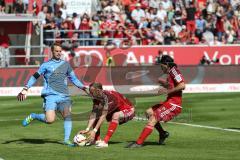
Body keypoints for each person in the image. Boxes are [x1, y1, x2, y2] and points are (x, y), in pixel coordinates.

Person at [17, 43, 87, 146]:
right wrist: (26, 88)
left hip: (64, 96)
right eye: (56, 51)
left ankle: (66, 140)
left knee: (67, 116)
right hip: (50, 96)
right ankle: (34, 116)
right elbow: (35, 76)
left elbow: (74, 79)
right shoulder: (45, 65)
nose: (59, 53)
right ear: (52, 52)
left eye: (60, 51)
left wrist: (84, 87)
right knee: (50, 120)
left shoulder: (66, 65)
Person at [126, 55, 185, 148]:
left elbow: (182, 86)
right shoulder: (171, 73)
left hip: (174, 104)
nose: (161, 68)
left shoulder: (174, 70)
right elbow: (173, 86)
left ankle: (139, 143)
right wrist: (164, 84)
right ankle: (162, 133)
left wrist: (167, 90)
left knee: (153, 118)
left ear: (166, 64)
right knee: (149, 112)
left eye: (161, 66)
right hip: (169, 101)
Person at [79, 82, 135, 148]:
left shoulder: (109, 97)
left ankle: (105, 142)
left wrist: (94, 131)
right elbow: (94, 113)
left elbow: (103, 116)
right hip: (116, 110)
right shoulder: (96, 97)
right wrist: (87, 129)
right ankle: (97, 140)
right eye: (90, 91)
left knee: (115, 115)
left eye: (92, 92)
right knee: (97, 113)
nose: (91, 94)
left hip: (129, 110)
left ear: (98, 90)